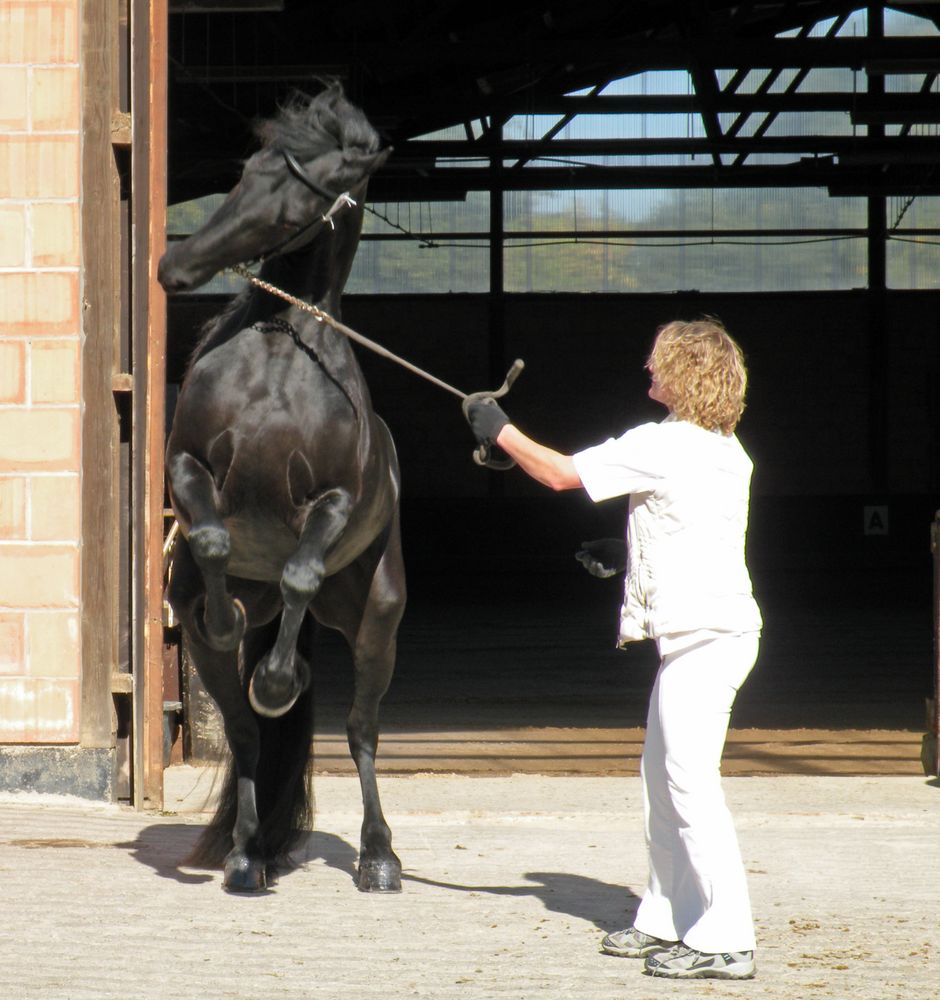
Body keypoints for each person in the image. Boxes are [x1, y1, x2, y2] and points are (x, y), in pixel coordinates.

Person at [465, 318, 763, 981]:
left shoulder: (665, 443)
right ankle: (663, 916)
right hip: (705, 634)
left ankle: (727, 937)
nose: (647, 370)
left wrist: (498, 427)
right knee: (662, 784)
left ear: (683, 373)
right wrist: (626, 554)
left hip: (705, 640)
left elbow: (561, 475)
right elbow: (689, 528)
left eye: (658, 363)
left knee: (688, 786)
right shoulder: (726, 448)